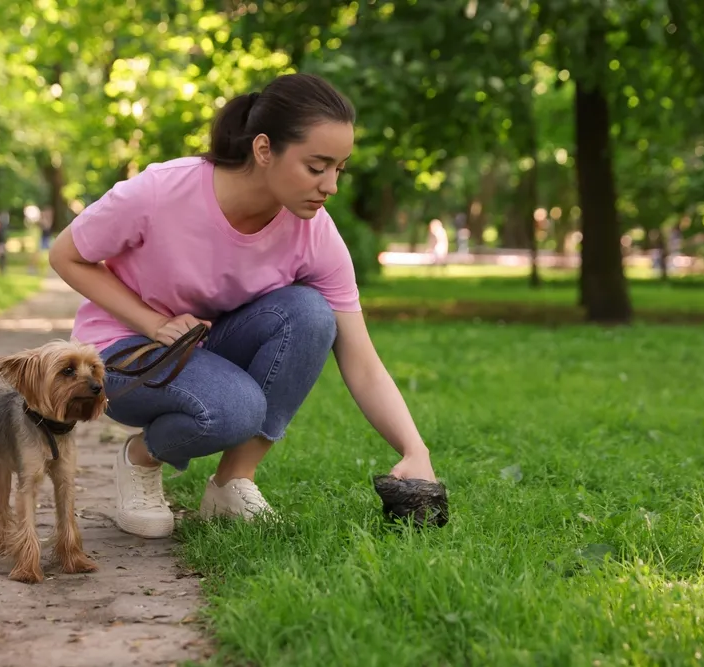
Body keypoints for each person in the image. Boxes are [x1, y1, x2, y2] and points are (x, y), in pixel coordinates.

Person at [49, 72, 438, 539]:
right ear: (264, 149)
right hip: (120, 354)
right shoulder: (162, 191)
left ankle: (232, 481)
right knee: (235, 409)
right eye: (317, 167)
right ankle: (141, 458)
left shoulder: (314, 233)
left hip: (200, 348)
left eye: (340, 168)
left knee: (312, 314)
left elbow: (362, 359)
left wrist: (415, 450)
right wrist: (152, 322)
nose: (331, 185)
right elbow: (65, 255)